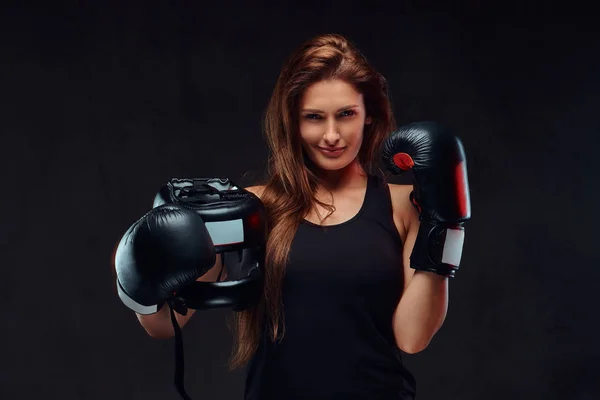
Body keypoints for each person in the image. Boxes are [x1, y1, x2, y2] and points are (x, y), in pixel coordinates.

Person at [130, 33, 469, 400]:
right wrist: (141, 273)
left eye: (346, 115)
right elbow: (164, 324)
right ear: (292, 120)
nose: (332, 135)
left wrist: (444, 224)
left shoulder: (405, 206)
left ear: (368, 114)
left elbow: (413, 337)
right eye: (313, 118)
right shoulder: (250, 208)